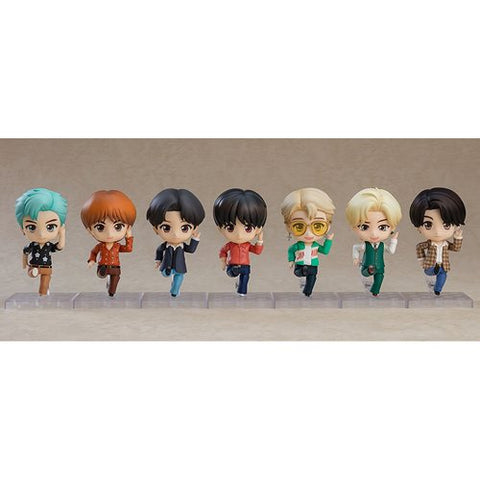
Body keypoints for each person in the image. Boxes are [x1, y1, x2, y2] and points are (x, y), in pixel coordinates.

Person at [146, 188, 205, 297]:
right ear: (155, 229)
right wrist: (158, 261)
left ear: (194, 229)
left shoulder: (182, 246)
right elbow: (159, 250)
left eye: (184, 228)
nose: (176, 234)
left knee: (179, 278)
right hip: (166, 266)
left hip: (179, 267)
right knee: (165, 274)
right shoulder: (164, 246)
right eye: (166, 228)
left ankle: (174, 291)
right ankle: (169, 276)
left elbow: (191, 250)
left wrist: (195, 239)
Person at [345, 188, 402, 296]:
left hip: (380, 266)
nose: (374, 234)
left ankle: (375, 291)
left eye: (382, 227)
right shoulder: (365, 245)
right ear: (354, 227)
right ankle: (369, 272)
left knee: (379, 278)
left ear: (392, 227)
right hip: (366, 266)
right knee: (365, 273)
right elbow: (355, 248)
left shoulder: (382, 245)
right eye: (364, 227)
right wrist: (355, 258)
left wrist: (394, 240)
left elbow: (391, 251)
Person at [409, 187, 466, 295]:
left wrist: (457, 238)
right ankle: (435, 272)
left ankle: (437, 290)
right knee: (430, 272)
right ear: (418, 228)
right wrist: (422, 260)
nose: (437, 232)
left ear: (456, 226)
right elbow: (419, 247)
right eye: (428, 225)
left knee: (443, 276)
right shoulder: (429, 244)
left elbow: (456, 248)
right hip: (430, 265)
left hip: (443, 265)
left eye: (446, 225)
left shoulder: (446, 244)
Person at [280, 187, 335, 297]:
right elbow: (291, 250)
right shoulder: (299, 245)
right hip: (300, 265)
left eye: (318, 226)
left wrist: (328, 241)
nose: (309, 234)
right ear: (289, 227)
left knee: (312, 279)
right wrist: (291, 260)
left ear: (328, 226)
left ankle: (307, 293)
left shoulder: (315, 245)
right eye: (299, 226)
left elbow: (325, 251)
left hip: (313, 265)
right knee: (299, 273)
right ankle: (303, 272)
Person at [81, 190, 136, 297]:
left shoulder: (117, 246)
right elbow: (94, 252)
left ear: (127, 227)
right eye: (100, 227)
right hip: (103, 267)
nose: (110, 234)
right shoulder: (100, 246)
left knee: (114, 283)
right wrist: (92, 260)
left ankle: (111, 291)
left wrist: (129, 236)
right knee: (102, 274)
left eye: (118, 226)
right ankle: (105, 276)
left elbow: (128, 249)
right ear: (90, 230)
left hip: (115, 268)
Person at [213, 188, 267, 296]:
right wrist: (223, 261)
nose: (239, 235)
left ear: (258, 229)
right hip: (232, 265)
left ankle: (242, 291)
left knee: (245, 278)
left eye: (248, 228)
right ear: (220, 228)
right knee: (233, 272)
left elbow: (257, 251)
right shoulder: (229, 245)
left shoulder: (247, 245)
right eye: (230, 228)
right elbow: (223, 251)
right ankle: (234, 275)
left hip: (245, 266)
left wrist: (260, 240)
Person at [16, 188, 67, 296]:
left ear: (59, 227)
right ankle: (34, 273)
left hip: (47, 267)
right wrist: (24, 264)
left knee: (46, 280)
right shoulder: (32, 245)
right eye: (31, 227)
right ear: (22, 229)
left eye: (50, 227)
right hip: (35, 265)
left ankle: (43, 293)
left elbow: (60, 246)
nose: (41, 234)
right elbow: (25, 252)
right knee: (33, 272)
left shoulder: (49, 245)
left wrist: (62, 233)